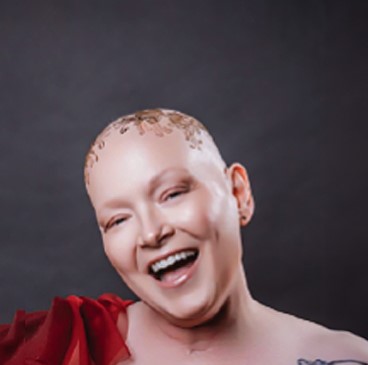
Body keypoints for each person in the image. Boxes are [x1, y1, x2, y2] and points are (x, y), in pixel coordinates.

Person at [1, 109, 367, 365]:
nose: (150, 233)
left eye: (173, 194)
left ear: (238, 193)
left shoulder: (345, 358)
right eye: (117, 220)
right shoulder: (56, 348)